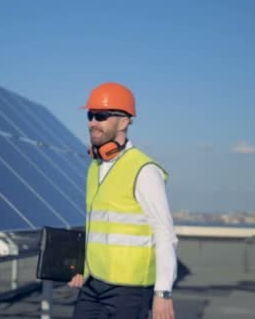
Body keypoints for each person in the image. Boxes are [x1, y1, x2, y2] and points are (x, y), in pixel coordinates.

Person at [68, 82, 178, 319]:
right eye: (90, 115)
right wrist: (82, 267)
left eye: (101, 116)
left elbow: (164, 233)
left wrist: (163, 293)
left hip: (129, 290)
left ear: (124, 121)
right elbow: (97, 227)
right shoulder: (95, 167)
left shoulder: (144, 170)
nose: (92, 122)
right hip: (93, 283)